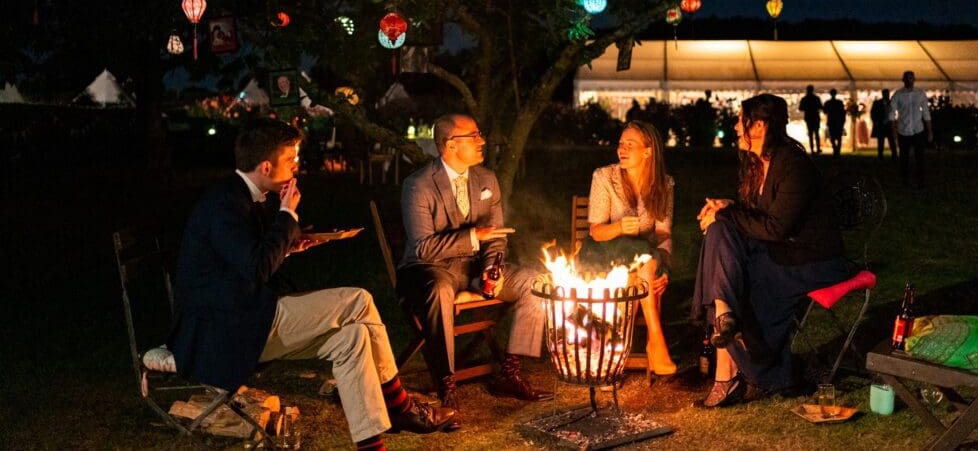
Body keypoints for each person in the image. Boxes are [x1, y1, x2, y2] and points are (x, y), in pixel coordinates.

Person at [169, 119, 454, 450]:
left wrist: (289, 246)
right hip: (222, 332)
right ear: (266, 166)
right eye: (290, 160)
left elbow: (248, 258)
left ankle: (371, 445)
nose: (296, 166)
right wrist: (287, 214)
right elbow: (258, 267)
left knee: (353, 338)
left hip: (243, 315)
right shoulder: (224, 205)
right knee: (358, 300)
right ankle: (400, 407)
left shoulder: (239, 196)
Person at [691, 94, 846, 407]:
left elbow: (775, 228)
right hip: (780, 249)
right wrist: (726, 208)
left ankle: (742, 371)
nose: (736, 127)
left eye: (741, 120)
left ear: (759, 125)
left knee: (736, 272)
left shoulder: (794, 166)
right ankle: (724, 320)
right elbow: (757, 217)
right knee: (720, 235)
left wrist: (726, 213)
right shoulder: (758, 163)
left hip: (812, 259)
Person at [398, 113, 552, 427]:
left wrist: (492, 267)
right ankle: (446, 384)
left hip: (476, 267)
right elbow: (423, 248)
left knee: (536, 283)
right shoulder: (418, 185)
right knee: (439, 290)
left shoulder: (487, 180)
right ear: (450, 145)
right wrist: (471, 237)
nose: (482, 141)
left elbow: (496, 237)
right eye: (474, 136)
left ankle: (510, 371)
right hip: (431, 269)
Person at [580, 120, 677, 375]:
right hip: (603, 253)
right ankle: (655, 340)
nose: (621, 149)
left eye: (630, 145)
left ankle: (612, 357)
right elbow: (596, 232)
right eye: (621, 144)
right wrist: (620, 227)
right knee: (643, 257)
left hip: (642, 262)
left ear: (648, 152)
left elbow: (663, 234)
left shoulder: (663, 184)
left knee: (638, 272)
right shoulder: (604, 177)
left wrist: (665, 269)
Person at [889, 71, 933, 186]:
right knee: (904, 158)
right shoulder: (898, 94)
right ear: (903, 80)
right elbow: (891, 113)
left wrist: (929, 131)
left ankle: (920, 181)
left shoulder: (920, 93)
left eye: (911, 78)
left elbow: (926, 113)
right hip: (903, 131)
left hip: (918, 130)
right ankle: (905, 181)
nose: (910, 81)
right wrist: (894, 130)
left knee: (920, 157)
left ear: (914, 80)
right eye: (907, 78)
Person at [870, 89, 897, 161]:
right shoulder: (877, 103)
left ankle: (894, 156)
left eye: (887, 94)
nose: (886, 95)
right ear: (883, 94)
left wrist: (893, 122)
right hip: (881, 124)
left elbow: (894, 113)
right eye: (885, 94)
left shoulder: (892, 102)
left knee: (891, 141)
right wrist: (876, 122)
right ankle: (880, 156)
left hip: (889, 125)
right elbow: (873, 113)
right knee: (881, 142)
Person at [797, 85, 823, 154]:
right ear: (812, 90)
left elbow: (800, 108)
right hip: (816, 117)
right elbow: (821, 107)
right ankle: (818, 149)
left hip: (808, 117)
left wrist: (807, 108)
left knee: (810, 133)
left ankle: (812, 149)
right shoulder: (816, 98)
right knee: (816, 133)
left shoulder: (804, 99)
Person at [823, 89, 846, 157]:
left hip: (831, 121)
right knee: (838, 137)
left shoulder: (828, 102)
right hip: (838, 121)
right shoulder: (839, 102)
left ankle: (835, 149)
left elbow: (825, 111)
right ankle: (837, 150)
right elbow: (843, 112)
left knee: (832, 136)